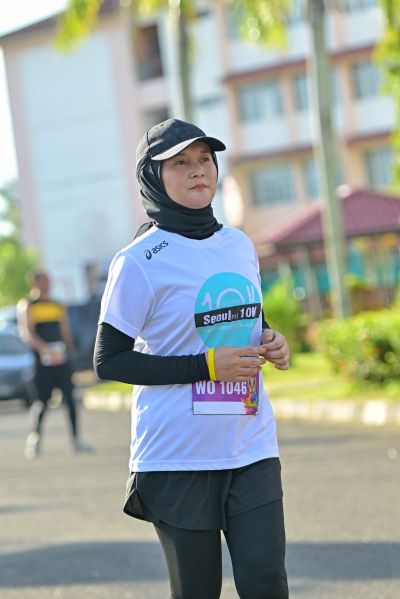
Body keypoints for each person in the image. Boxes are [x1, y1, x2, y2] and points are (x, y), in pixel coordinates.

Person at [94, 118, 290, 598]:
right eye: (180, 162)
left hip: (251, 445)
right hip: (177, 456)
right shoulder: (139, 261)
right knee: (198, 591)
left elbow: (244, 319)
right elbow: (109, 360)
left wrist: (271, 340)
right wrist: (204, 368)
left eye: (205, 159)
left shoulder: (239, 244)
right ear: (152, 176)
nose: (198, 170)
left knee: (267, 582)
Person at [17, 270, 92, 458]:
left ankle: (76, 440)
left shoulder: (56, 304)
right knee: (41, 402)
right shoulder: (28, 305)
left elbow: (64, 331)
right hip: (42, 364)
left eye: (48, 281)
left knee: (70, 400)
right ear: (34, 283)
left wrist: (70, 353)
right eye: (43, 281)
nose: (47, 285)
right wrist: (44, 348)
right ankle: (35, 439)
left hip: (61, 362)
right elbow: (27, 333)